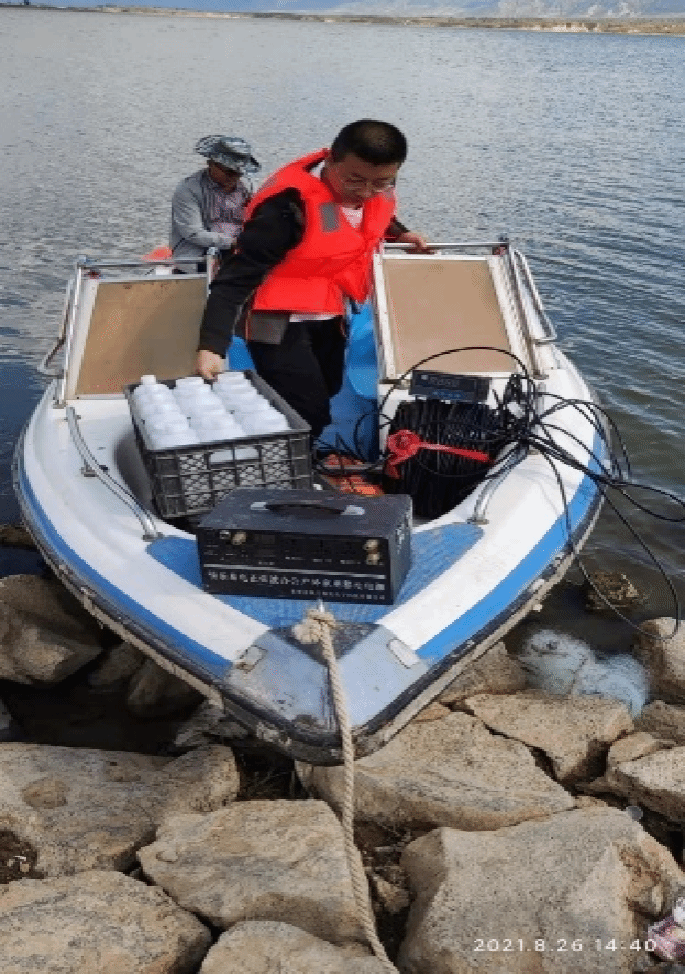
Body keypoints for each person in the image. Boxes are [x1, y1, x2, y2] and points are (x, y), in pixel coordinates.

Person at [195, 119, 430, 440]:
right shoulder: (286, 208)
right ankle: (289, 458)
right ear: (331, 160)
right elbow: (234, 278)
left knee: (330, 386)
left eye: (380, 183)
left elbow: (372, 214)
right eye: (354, 181)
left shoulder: (374, 190)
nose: (366, 192)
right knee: (308, 410)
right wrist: (212, 346)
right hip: (275, 317)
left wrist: (401, 234)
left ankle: (297, 440)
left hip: (327, 306)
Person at [169, 135, 261, 269]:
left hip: (238, 249)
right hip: (197, 253)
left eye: (239, 173)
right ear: (211, 164)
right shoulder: (188, 189)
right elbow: (193, 233)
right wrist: (234, 242)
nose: (234, 177)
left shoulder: (248, 188)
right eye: (229, 172)